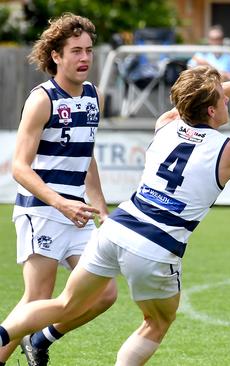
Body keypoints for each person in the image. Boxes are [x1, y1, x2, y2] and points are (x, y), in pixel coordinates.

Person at [0, 62, 230, 366]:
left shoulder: (166, 122)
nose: (227, 100)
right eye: (223, 97)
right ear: (212, 110)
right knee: (155, 323)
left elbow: (194, 100)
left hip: (115, 230)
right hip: (155, 247)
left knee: (62, 303)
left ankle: (5, 334)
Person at [1, 13, 118, 366]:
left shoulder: (93, 95)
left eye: (88, 51)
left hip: (76, 214)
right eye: (76, 51)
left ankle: (42, 339)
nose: (84, 58)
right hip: (41, 212)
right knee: (38, 297)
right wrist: (61, 203)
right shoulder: (42, 99)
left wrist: (102, 210)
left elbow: (86, 157)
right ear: (56, 56)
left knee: (105, 292)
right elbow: (20, 167)